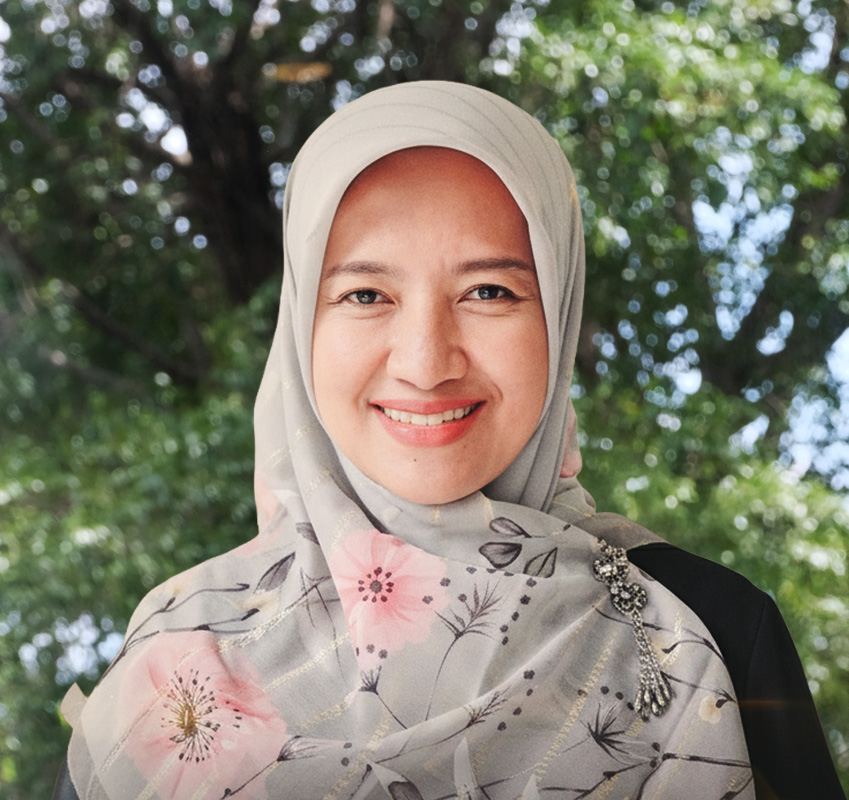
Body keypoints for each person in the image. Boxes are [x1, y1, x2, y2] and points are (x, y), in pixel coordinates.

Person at [54, 81, 843, 800]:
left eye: (488, 291)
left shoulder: (708, 627)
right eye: (365, 294)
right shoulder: (181, 661)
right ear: (300, 331)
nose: (426, 362)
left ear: (558, 314)